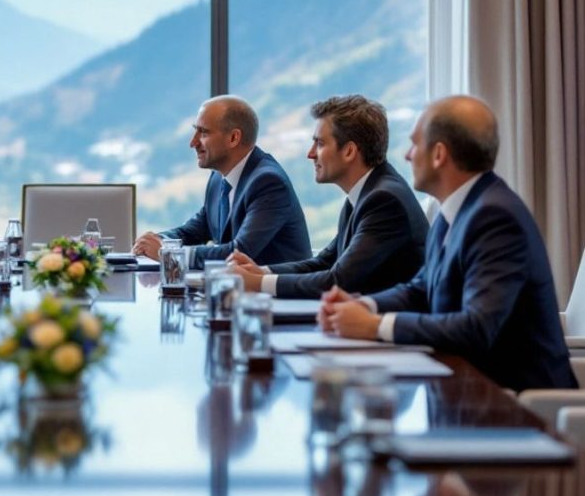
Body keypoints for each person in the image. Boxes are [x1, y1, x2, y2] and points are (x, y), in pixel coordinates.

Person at [319, 95, 575, 391]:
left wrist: (374, 326)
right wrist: (363, 305)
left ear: (439, 154)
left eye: (415, 144)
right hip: (469, 389)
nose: (406, 155)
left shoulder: (495, 217)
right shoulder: (453, 210)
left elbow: (476, 328)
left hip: (518, 404)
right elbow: (421, 289)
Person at [233, 95, 428, 298]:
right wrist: (262, 272)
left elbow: (339, 280)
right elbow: (326, 261)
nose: (310, 154)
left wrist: (259, 283)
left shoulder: (383, 200)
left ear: (349, 151)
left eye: (319, 143)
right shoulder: (366, 191)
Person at [132, 95, 310, 268]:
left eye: (203, 132)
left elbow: (239, 253)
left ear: (233, 138)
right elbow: (195, 231)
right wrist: (157, 240)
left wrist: (167, 253)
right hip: (236, 291)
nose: (193, 142)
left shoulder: (268, 182)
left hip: (277, 296)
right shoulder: (218, 177)